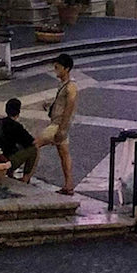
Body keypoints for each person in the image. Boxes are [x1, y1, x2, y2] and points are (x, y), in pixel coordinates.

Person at [36, 53, 79, 194]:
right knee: (64, 154)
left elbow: (69, 106)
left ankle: (26, 177)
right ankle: (69, 184)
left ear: (66, 69)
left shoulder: (71, 86)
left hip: (58, 125)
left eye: (58, 67)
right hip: (59, 124)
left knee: (34, 145)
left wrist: (62, 129)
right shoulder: (64, 85)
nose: (55, 70)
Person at [0, 97, 38, 180]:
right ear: (18, 112)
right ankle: (26, 177)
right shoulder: (17, 127)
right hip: (7, 161)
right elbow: (31, 142)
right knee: (33, 149)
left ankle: (11, 173)